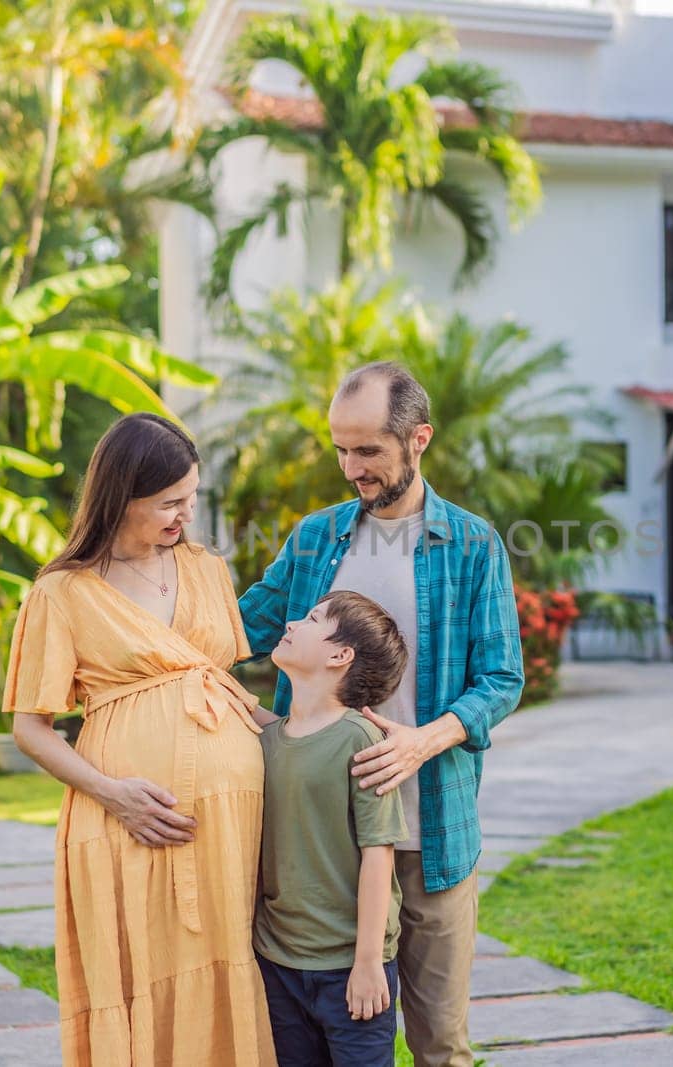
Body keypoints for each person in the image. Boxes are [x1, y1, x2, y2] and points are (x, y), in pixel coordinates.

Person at [239, 361, 525, 1067]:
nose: (350, 467)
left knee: (439, 1046)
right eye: (340, 448)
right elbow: (236, 628)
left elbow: (500, 677)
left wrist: (425, 741)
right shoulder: (315, 537)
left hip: (430, 836)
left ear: (418, 438)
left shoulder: (473, 544)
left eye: (368, 450)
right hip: (320, 850)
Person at [3, 413, 275, 1066]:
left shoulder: (206, 568)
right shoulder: (62, 592)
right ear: (121, 495)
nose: (186, 514)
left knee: (232, 964)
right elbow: (30, 727)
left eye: (191, 497)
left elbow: (227, 690)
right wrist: (113, 793)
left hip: (232, 827)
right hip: (128, 822)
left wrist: (335, 737)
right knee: (142, 975)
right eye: (170, 503)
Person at [254, 590, 411, 1066]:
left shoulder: (359, 739)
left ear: (340, 655)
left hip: (349, 966)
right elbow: (277, 735)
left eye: (314, 618)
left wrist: (367, 964)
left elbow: (378, 855)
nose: (295, 622)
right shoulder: (267, 738)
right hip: (279, 960)